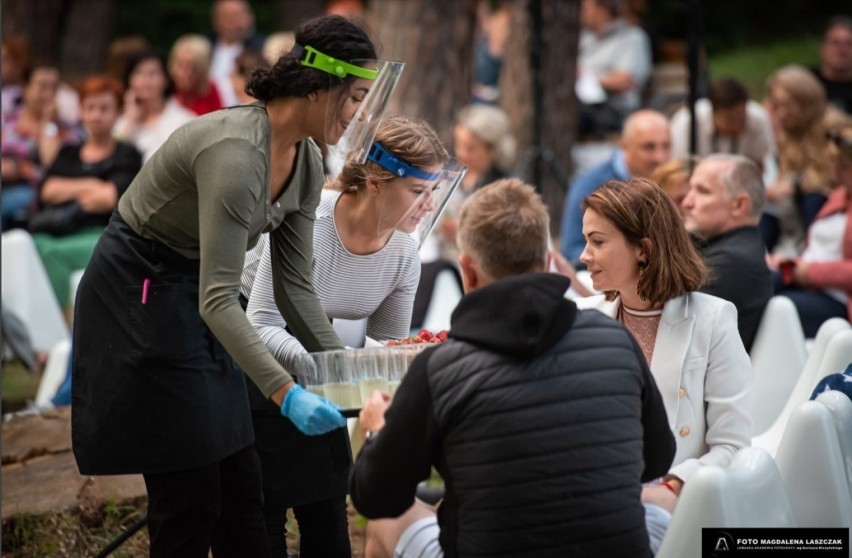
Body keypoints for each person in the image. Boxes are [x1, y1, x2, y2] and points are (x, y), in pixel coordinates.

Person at [71, 15, 380, 557]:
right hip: (140, 289)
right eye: (354, 96)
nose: (358, 114)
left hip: (197, 286)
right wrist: (284, 393)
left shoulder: (307, 160)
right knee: (191, 493)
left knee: (243, 483)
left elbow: (294, 287)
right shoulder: (237, 156)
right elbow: (218, 299)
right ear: (316, 86)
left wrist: (345, 373)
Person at [350, 177, 675, 558]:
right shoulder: (615, 339)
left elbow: (376, 497)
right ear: (548, 261)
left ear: (467, 271)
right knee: (661, 506)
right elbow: (656, 460)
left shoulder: (440, 368)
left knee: (386, 524)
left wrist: (376, 432)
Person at [242, 115, 448, 557]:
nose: (429, 205)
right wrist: (332, 369)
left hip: (319, 353)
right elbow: (261, 323)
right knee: (262, 515)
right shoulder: (311, 225)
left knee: (329, 513)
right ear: (374, 183)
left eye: (434, 192)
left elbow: (385, 349)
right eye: (418, 191)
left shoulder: (404, 252)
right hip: (244, 346)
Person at [576, 178, 752, 500]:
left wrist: (675, 487)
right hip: (599, 496)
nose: (584, 255)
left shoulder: (713, 319)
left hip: (681, 501)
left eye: (597, 242)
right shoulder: (581, 317)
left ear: (644, 250)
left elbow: (732, 444)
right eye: (586, 241)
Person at [29, 75, 142, 314]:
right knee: (32, 244)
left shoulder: (126, 154)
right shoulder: (69, 151)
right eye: (90, 108)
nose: (96, 115)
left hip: (103, 235)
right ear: (81, 112)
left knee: (52, 253)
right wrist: (91, 183)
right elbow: (47, 190)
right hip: (62, 230)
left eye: (104, 108)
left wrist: (68, 189)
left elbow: (110, 198)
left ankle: (58, 326)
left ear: (117, 113)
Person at [682, 154, 773, 353]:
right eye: (690, 189)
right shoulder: (731, 250)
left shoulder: (732, 263)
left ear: (739, 205)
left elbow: (670, 332)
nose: (687, 202)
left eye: (702, 191)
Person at [771, 119, 852, 338]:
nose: (835, 172)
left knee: (777, 307)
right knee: (756, 284)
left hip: (839, 298)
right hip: (809, 283)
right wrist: (788, 262)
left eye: (843, 165)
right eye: (833, 163)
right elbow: (818, 248)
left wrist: (809, 272)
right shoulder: (838, 196)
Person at [560, 109, 671, 264]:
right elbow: (572, 250)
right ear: (624, 146)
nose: (660, 157)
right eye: (648, 147)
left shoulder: (674, 181)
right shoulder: (591, 185)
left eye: (666, 146)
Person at [761, 65, 847, 255]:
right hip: (793, 201)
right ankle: (761, 255)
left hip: (827, 198)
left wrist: (794, 186)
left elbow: (834, 175)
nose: (782, 113)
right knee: (764, 208)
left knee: (813, 199)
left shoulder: (834, 126)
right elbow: (785, 171)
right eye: (777, 105)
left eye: (787, 104)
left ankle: (811, 256)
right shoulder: (787, 130)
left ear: (806, 102)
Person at [2, 60, 79, 231]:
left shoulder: (65, 130)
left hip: (37, 195)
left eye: (53, 88)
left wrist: (47, 124)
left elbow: (50, 164)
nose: (48, 93)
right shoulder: (7, 120)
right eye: (42, 86)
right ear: (25, 87)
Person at [433, 103, 516, 263]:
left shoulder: (503, 189)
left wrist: (464, 231)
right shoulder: (448, 175)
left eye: (470, 148)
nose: (461, 153)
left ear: (493, 149)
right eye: (459, 145)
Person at [577, 0, 652, 137]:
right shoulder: (585, 38)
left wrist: (587, 78)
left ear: (602, 10)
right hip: (582, 101)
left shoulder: (632, 38)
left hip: (613, 110)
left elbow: (624, 80)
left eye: (585, 8)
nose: (581, 13)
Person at [669, 77, 775, 170]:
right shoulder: (687, 123)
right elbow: (676, 168)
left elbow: (760, 164)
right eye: (730, 120)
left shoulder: (757, 118)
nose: (737, 126)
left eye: (742, 118)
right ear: (713, 112)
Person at [113, 50, 195, 163]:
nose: (145, 81)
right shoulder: (119, 121)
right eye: (138, 73)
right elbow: (113, 160)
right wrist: (130, 120)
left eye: (152, 74)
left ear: (166, 79)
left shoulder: (184, 121)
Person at [208, 0, 266, 107]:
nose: (242, 22)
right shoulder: (206, 48)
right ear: (217, 21)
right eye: (234, 16)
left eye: (245, 14)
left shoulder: (261, 49)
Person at [168, 34, 224, 116]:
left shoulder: (214, 93)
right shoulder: (165, 90)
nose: (185, 73)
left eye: (193, 68)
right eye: (180, 65)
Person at [811, 16, 852, 114]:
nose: (842, 50)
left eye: (849, 44)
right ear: (822, 48)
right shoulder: (805, 83)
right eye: (835, 43)